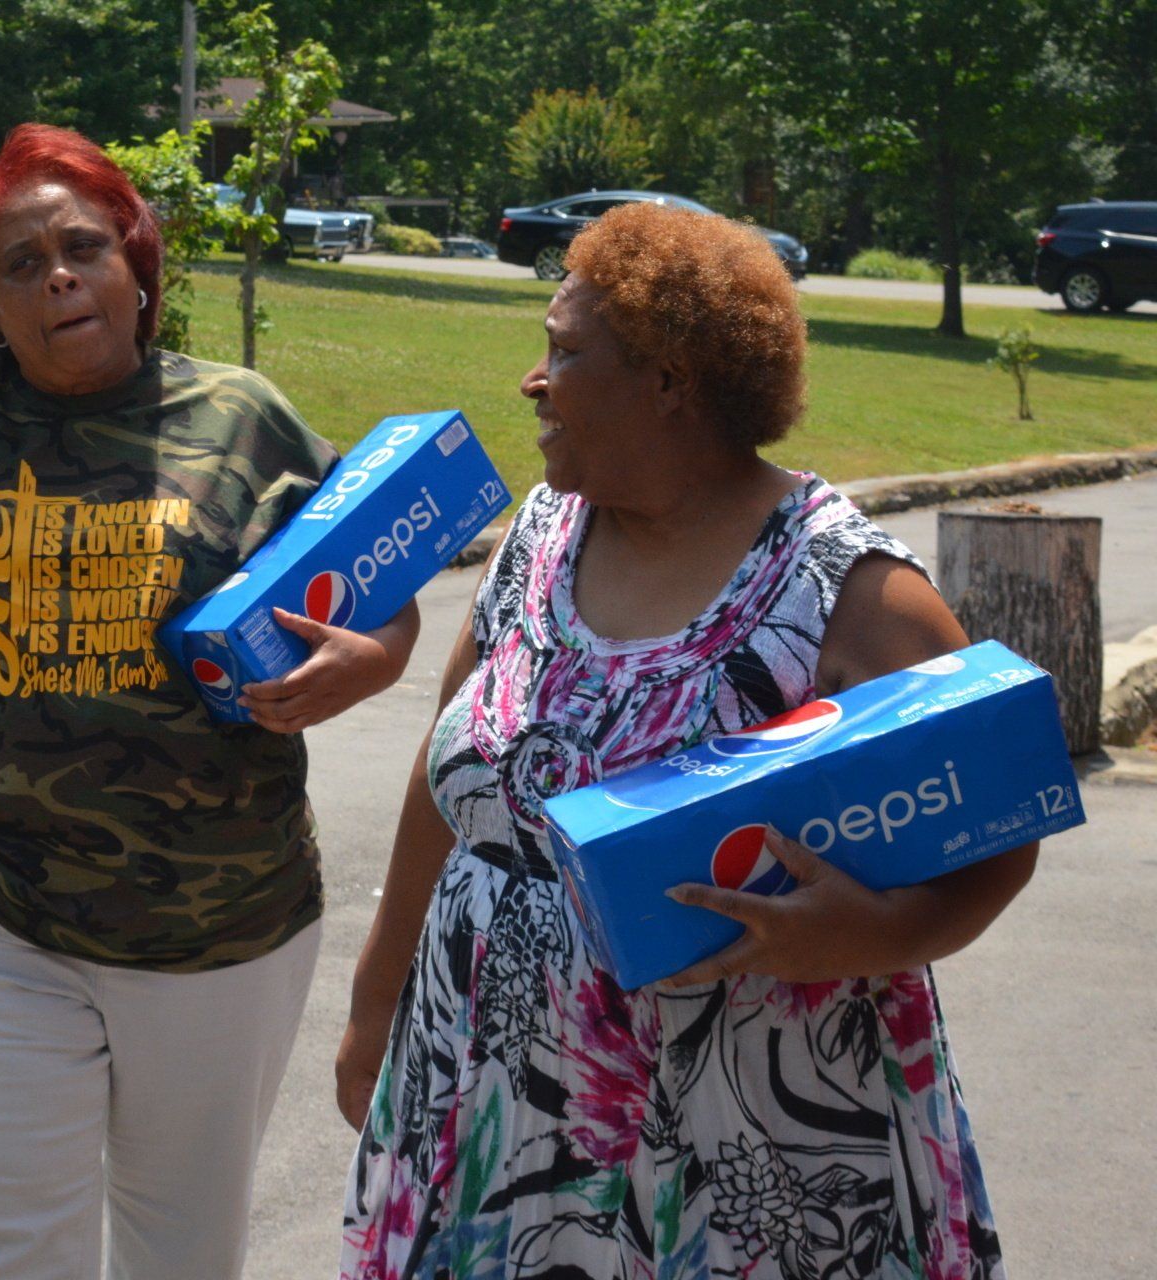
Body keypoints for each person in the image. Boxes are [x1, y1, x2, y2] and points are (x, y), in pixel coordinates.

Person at [335, 202, 1033, 1280]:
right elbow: (449, 779)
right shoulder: (538, 538)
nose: (532, 380)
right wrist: (377, 999)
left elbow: (1003, 818)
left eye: (565, 352)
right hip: (490, 1103)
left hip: (753, 1140)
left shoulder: (842, 587)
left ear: (668, 381)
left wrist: (870, 936)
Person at [0, 123, 417, 1280]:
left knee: (182, 1248)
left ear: (136, 261)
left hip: (219, 918)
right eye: (20, 265)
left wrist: (366, 660)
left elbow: (384, 600)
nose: (59, 278)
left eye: (83, 247)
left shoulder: (243, 417)